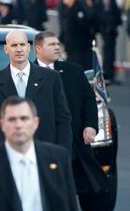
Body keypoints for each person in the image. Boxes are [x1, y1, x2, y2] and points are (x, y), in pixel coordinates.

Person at [33, 31, 109, 196]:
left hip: (73, 140)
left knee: (81, 183)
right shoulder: (27, 74)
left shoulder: (74, 71)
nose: (57, 47)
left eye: (57, 44)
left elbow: (88, 102)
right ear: (38, 49)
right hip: (41, 142)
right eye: (51, 44)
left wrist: (90, 126)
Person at [0, 30, 71, 154]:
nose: (19, 49)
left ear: (28, 48)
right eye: (14, 45)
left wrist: (62, 155)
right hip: (6, 158)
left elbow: (63, 120)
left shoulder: (51, 78)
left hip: (45, 154)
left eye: (22, 45)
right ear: (6, 49)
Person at [60, 0, 95, 70]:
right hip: (70, 47)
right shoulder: (67, 9)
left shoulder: (78, 10)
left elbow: (81, 28)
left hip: (78, 47)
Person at [95, 0, 122, 83]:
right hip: (107, 30)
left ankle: (109, 75)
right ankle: (107, 75)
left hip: (110, 30)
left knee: (110, 53)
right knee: (108, 53)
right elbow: (106, 15)